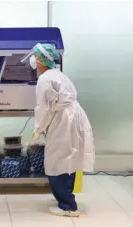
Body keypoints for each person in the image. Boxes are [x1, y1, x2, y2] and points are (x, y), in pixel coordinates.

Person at [28, 43, 95, 217]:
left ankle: (67, 206)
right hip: (72, 117)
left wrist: (38, 129)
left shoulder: (44, 79)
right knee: (69, 159)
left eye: (36, 57)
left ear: (43, 60)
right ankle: (66, 200)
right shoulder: (58, 74)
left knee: (56, 160)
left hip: (63, 121)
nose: (33, 60)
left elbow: (44, 108)